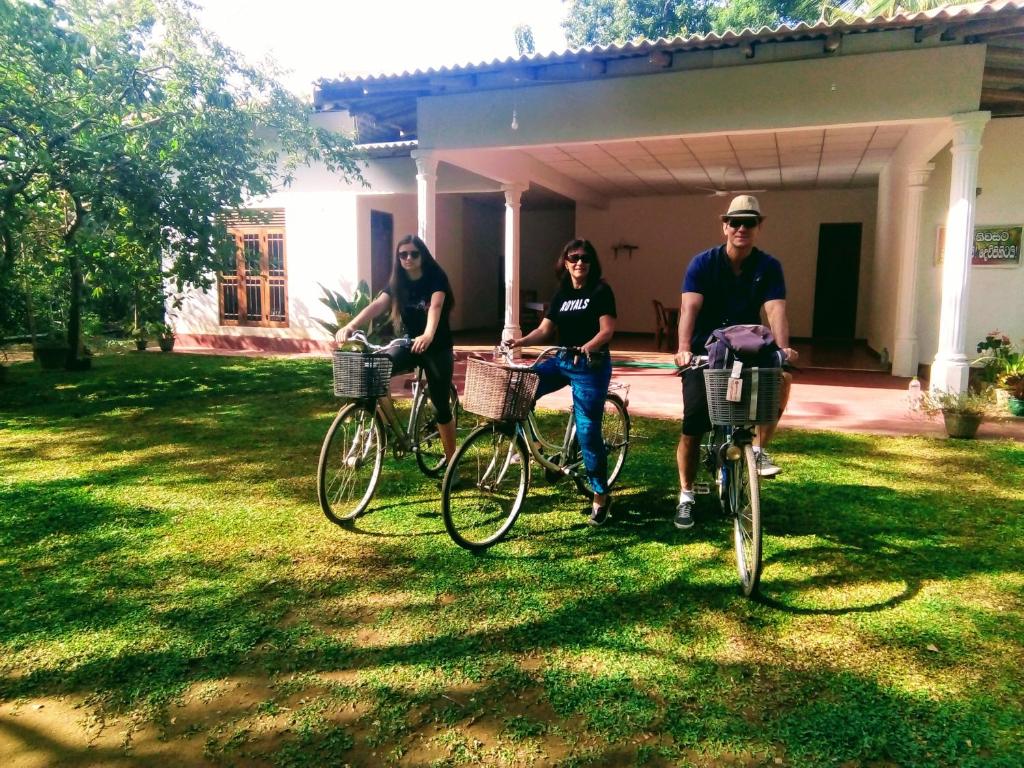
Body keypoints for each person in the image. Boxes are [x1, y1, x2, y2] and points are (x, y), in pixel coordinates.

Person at [673, 196, 799, 531]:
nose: (742, 228)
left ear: (759, 226)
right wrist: (684, 349)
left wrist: (783, 349)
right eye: (735, 222)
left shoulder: (768, 266)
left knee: (780, 382)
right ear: (724, 225)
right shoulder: (703, 263)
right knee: (694, 425)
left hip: (748, 350)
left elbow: (776, 311)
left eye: (750, 222)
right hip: (705, 351)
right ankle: (686, 495)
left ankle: (756, 450)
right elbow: (689, 309)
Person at [508, 239, 617, 526]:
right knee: (522, 387)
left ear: (591, 263)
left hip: (590, 365)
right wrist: (519, 340)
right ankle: (537, 450)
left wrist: (588, 346)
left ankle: (600, 495)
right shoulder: (561, 294)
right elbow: (545, 329)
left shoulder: (601, 291)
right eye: (574, 257)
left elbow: (607, 330)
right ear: (565, 262)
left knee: (588, 431)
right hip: (562, 361)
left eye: (585, 258)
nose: (579, 262)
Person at [336, 235, 457, 464]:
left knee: (441, 406)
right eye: (403, 254)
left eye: (413, 253)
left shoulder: (435, 276)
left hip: (437, 346)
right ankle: (388, 426)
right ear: (398, 258)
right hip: (411, 342)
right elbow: (378, 304)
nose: (408, 258)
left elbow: (436, 305)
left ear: (422, 255)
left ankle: (452, 464)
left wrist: (429, 334)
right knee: (377, 368)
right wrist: (351, 325)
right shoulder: (397, 281)